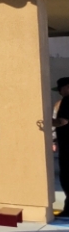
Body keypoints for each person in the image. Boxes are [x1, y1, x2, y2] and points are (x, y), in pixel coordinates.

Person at [53, 77, 69, 218]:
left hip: (67, 146)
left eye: (61, 89)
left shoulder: (67, 101)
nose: (60, 92)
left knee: (67, 178)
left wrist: (48, 121)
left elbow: (62, 121)